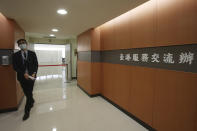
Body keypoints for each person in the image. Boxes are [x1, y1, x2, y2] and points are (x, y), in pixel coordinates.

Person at [12, 39, 38, 121]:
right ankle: (31, 101)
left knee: (29, 92)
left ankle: (27, 111)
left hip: (31, 77)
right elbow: (15, 67)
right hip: (22, 77)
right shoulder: (15, 55)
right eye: (20, 44)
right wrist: (24, 73)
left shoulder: (32, 53)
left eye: (23, 43)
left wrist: (34, 73)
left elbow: (36, 64)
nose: (22, 44)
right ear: (18, 46)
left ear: (26, 44)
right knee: (27, 92)